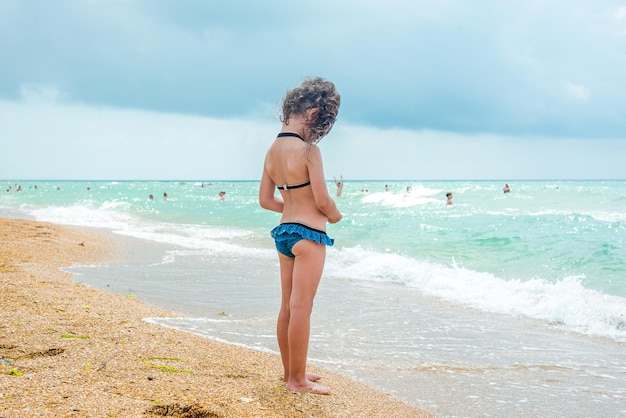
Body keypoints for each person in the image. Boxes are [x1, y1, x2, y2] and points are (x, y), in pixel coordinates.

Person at [259, 77, 342, 396]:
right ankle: (297, 380)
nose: (315, 133)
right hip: (310, 236)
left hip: (283, 233)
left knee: (287, 307)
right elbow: (322, 200)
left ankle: (290, 372)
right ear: (312, 114)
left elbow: (266, 200)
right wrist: (333, 215)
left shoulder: (271, 150)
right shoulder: (309, 151)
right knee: (302, 308)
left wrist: (292, 207)